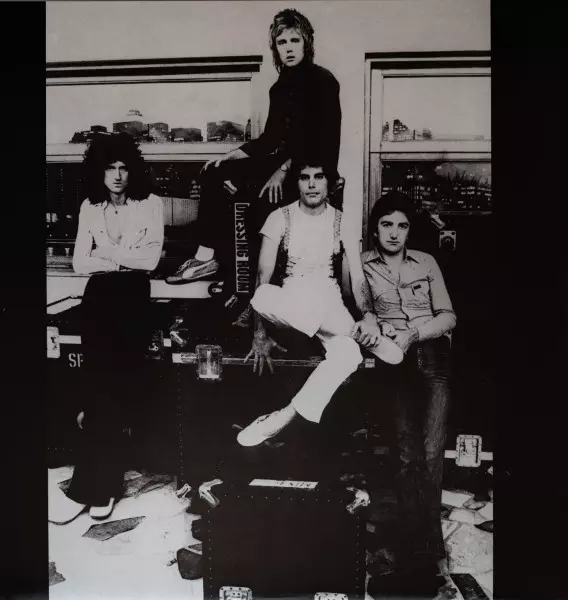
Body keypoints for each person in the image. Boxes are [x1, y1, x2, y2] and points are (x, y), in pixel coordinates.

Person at [166, 8, 342, 289]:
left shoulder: (323, 80)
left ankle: (245, 283)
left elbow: (321, 139)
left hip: (313, 168)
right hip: (282, 164)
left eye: (294, 40)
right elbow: (270, 139)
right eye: (281, 42)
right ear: (275, 47)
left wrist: (282, 171)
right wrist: (229, 156)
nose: (288, 48)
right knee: (214, 173)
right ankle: (206, 258)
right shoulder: (279, 87)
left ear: (306, 43)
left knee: (259, 202)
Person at [235, 163, 403, 447]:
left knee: (349, 355)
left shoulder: (342, 221)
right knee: (262, 295)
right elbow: (262, 277)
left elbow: (358, 278)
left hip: (329, 299)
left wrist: (369, 316)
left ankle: (280, 418)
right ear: (297, 183)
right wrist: (259, 333)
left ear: (329, 183)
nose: (312, 184)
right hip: (292, 299)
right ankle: (353, 332)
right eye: (305, 178)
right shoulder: (279, 217)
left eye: (319, 177)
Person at [48, 133, 164, 525]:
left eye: (123, 167)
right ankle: (102, 487)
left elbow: (150, 262)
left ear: (133, 171)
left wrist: (107, 254)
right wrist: (121, 259)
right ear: (98, 172)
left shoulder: (151, 204)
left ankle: (90, 490)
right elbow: (80, 263)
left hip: (131, 300)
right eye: (109, 168)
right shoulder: (89, 206)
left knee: (114, 391)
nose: (117, 175)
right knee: (98, 391)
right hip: (97, 300)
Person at [359, 191, 457, 586]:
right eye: (386, 224)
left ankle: (429, 549)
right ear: (375, 229)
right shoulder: (362, 264)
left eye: (402, 225)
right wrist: (376, 326)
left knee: (432, 452)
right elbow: (359, 309)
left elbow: (448, 316)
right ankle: (411, 547)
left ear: (409, 230)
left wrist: (414, 332)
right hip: (392, 362)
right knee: (404, 453)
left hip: (432, 358)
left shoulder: (427, 262)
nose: (394, 233)